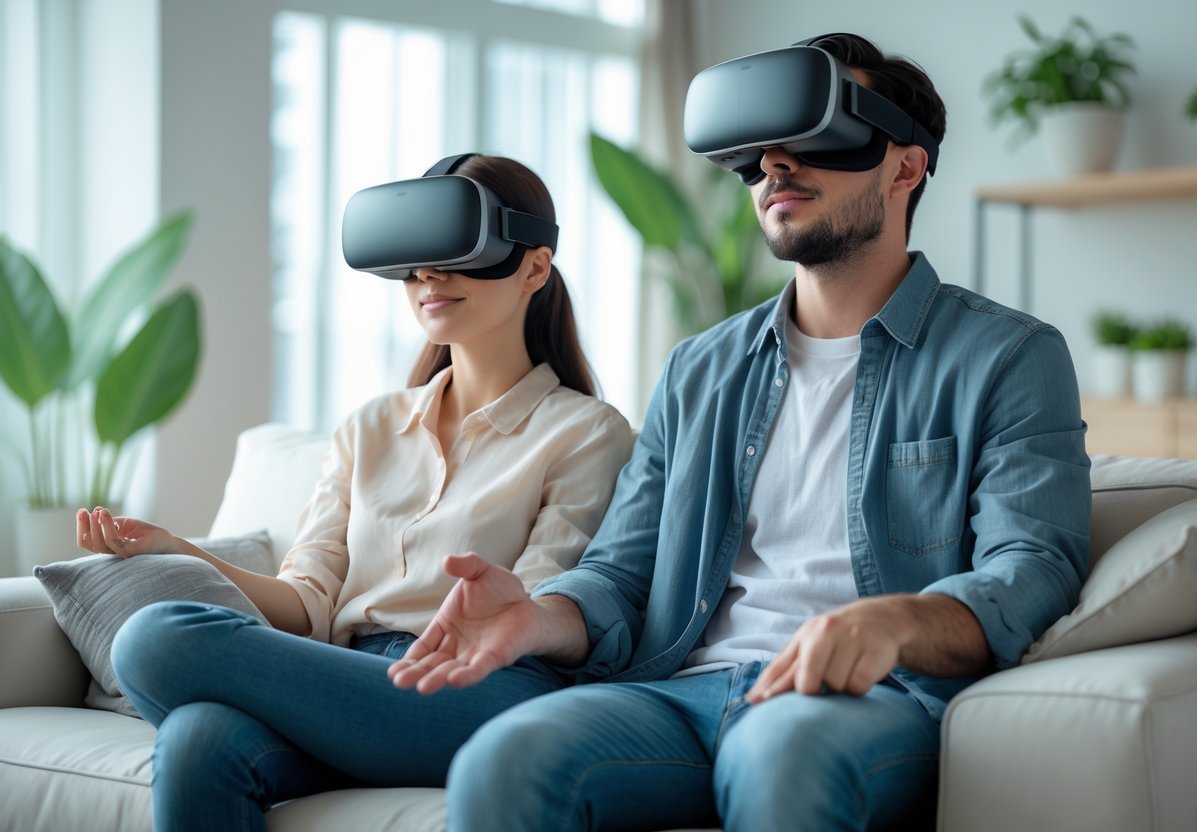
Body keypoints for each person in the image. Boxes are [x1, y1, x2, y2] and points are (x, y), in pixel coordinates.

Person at [388, 34, 1091, 831]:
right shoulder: (700, 367)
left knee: (781, 755)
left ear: (904, 166)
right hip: (677, 693)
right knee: (502, 756)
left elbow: (1033, 565)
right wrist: (538, 617)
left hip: (857, 700)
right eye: (759, 152)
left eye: (816, 138)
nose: (774, 167)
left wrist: (893, 620)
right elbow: (623, 571)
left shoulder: (1007, 356)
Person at [76, 154, 635, 831]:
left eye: (457, 253)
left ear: (534, 268)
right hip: (347, 679)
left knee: (154, 640)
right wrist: (178, 551)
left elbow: (541, 611)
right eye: (416, 258)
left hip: (483, 688)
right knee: (199, 738)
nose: (427, 275)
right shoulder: (369, 427)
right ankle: (357, 737)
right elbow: (308, 602)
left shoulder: (584, 433)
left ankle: (362, 733)